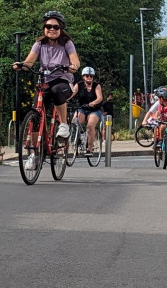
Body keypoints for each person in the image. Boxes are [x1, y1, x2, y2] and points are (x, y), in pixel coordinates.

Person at [13, 11, 81, 171]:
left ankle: (63, 124)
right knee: (35, 113)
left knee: (58, 91)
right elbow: (30, 61)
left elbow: (74, 59)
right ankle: (35, 154)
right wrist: (21, 65)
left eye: (55, 27)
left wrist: (74, 66)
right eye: (48, 26)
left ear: (61, 28)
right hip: (44, 81)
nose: (51, 29)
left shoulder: (67, 43)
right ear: (44, 28)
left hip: (63, 80)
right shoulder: (39, 44)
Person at [73, 66, 104, 152]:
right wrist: (63, 100)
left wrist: (93, 103)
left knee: (90, 126)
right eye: (87, 76)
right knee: (75, 121)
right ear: (83, 77)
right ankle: (81, 136)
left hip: (94, 110)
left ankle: (89, 148)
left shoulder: (96, 86)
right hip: (82, 108)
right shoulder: (79, 85)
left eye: (91, 76)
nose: (89, 78)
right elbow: (72, 93)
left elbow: (100, 98)